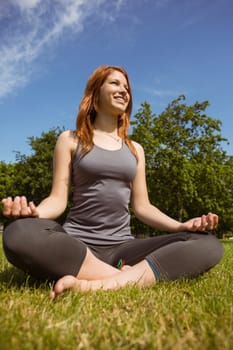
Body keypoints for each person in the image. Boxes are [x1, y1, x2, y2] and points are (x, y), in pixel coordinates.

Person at [2, 65, 223, 299]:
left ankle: (97, 283)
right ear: (96, 92)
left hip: (123, 248)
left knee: (207, 244)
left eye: (127, 87)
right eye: (115, 83)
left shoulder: (135, 149)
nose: (124, 91)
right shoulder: (70, 140)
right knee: (18, 233)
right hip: (77, 245)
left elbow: (143, 207)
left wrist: (182, 226)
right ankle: (125, 278)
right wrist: (32, 214)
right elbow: (57, 200)